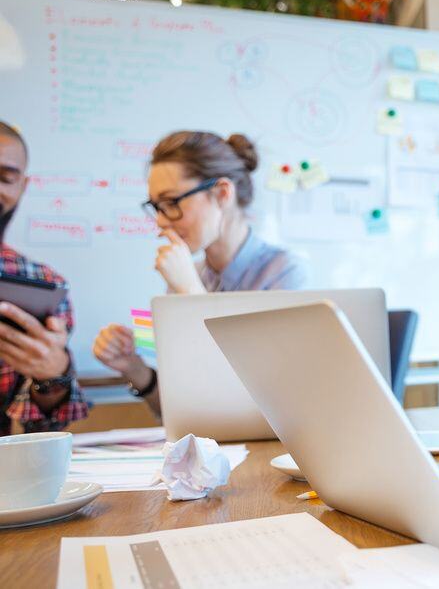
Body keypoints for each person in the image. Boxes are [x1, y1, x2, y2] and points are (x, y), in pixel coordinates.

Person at [92, 131, 309, 416]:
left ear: (221, 194)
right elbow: (181, 411)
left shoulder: (284, 272)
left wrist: (191, 293)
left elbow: (260, 407)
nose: (160, 222)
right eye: (156, 207)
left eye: (171, 203)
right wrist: (134, 368)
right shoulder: (189, 277)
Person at [0, 121, 88, 435]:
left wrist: (52, 375)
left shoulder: (40, 283)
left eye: (5, 177)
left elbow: (45, 428)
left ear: (22, 186)